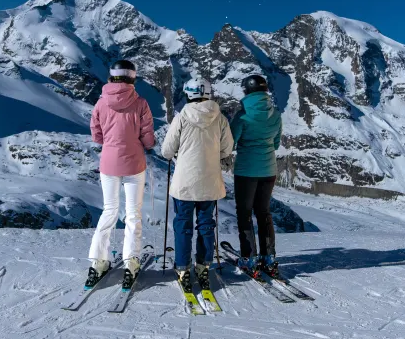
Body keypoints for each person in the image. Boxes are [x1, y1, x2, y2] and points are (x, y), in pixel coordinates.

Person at [87, 59, 155, 289]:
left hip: (108, 163)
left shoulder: (101, 103)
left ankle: (98, 261)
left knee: (109, 211)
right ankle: (131, 263)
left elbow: (96, 135)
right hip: (134, 164)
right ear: (132, 78)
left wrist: (110, 142)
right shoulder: (141, 103)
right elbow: (147, 136)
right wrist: (147, 144)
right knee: (133, 213)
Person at [161, 78, 233, 293]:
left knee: (183, 225)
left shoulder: (182, 116)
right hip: (209, 182)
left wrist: (179, 154)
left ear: (189, 94)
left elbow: (166, 150)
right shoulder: (220, 118)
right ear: (209, 93)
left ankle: (183, 268)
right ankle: (203, 266)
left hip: (184, 183)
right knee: (206, 224)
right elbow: (227, 149)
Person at [230, 74, 283, 278]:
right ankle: (268, 257)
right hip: (269, 170)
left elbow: (232, 142)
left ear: (247, 91)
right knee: (264, 213)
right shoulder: (276, 114)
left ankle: (249, 257)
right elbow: (276, 143)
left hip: (246, 171)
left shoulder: (242, 115)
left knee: (244, 213)